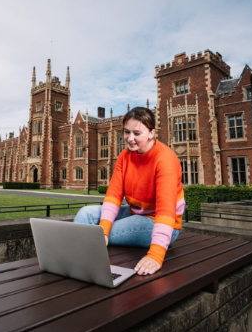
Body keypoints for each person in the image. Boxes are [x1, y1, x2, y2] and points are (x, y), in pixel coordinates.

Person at [74, 107, 184, 277]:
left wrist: (155, 255)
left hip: (162, 223)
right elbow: (113, 196)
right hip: (136, 212)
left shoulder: (165, 159)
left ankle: (82, 266)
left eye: (137, 133)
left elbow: (166, 210)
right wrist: (103, 229)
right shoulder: (125, 156)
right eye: (126, 132)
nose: (130, 138)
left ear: (151, 133)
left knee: (96, 234)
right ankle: (73, 261)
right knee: (85, 213)